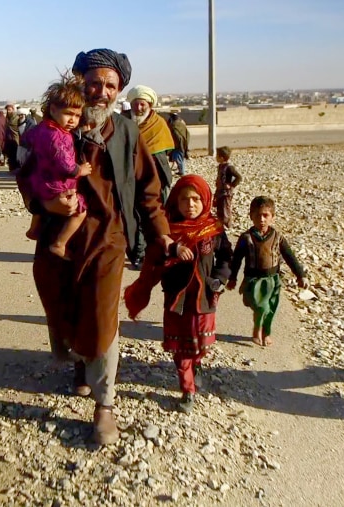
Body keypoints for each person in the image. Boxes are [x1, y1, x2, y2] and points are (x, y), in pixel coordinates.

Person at [24, 48, 171, 445]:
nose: (101, 92)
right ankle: (79, 364)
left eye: (110, 85)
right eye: (94, 83)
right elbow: (26, 176)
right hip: (60, 237)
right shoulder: (57, 124)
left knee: (104, 316)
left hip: (108, 238)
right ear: (79, 84)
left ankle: (104, 404)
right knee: (62, 304)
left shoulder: (125, 132)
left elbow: (148, 188)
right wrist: (44, 203)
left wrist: (162, 232)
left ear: (119, 89)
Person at [124, 175, 231, 413]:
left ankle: (198, 364)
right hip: (177, 302)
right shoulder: (168, 232)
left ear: (205, 200)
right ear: (176, 202)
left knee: (199, 345)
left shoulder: (213, 230)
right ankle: (187, 389)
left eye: (195, 199)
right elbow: (154, 259)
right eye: (185, 200)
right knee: (182, 350)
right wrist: (173, 248)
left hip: (204, 300)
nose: (190, 205)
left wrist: (220, 279)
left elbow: (225, 256)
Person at [21, 73, 92, 258]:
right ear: (53, 109)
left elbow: (27, 139)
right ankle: (60, 243)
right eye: (68, 114)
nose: (73, 120)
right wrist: (81, 170)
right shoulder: (58, 135)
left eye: (77, 116)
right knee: (80, 211)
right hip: (57, 185)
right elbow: (66, 166)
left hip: (40, 182)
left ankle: (34, 227)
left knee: (40, 206)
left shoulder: (42, 128)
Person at [228, 196, 308, 346]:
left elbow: (290, 257)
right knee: (261, 307)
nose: (262, 219)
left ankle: (266, 332)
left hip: (273, 280)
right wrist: (232, 278)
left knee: (271, 309)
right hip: (254, 281)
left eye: (266, 215)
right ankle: (257, 328)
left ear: (273, 217)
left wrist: (300, 275)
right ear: (251, 216)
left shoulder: (278, 238)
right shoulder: (246, 238)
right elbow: (237, 259)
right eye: (258, 215)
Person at [122, 85, 174, 269]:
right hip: (128, 181)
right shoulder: (124, 123)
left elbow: (161, 160)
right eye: (135, 104)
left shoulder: (158, 125)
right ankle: (138, 253)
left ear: (150, 104)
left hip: (153, 182)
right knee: (132, 218)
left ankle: (156, 252)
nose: (138, 108)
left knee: (154, 217)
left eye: (142, 104)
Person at [214, 146, 242, 229]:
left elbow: (239, 177)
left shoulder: (229, 167)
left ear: (222, 158)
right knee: (219, 207)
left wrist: (231, 185)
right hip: (219, 190)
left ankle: (227, 225)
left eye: (217, 156)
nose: (216, 157)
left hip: (226, 192)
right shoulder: (220, 166)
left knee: (225, 208)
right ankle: (221, 223)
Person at [168, 111, 190, 176]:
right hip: (182, 144)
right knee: (179, 158)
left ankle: (182, 172)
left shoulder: (174, 125)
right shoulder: (181, 123)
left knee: (178, 158)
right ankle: (180, 170)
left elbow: (176, 136)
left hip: (178, 145)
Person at [4, 104, 20, 172]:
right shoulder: (7, 118)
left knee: (15, 154)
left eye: (9, 110)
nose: (8, 111)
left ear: (13, 110)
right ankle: (12, 168)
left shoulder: (16, 118)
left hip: (15, 139)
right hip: (8, 139)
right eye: (7, 110)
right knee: (10, 154)